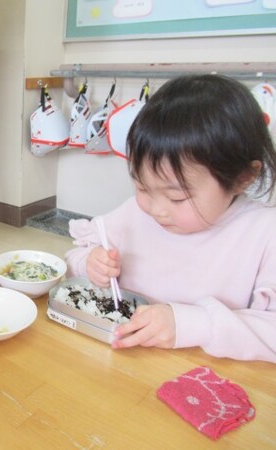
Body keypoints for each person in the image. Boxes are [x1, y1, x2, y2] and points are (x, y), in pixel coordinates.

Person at [65, 74, 276, 363]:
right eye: (142, 187)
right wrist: (88, 264)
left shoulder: (264, 233)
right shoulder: (134, 212)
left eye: (177, 197)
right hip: (124, 365)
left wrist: (192, 324)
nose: (156, 209)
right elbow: (73, 261)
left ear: (242, 178)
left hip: (205, 375)